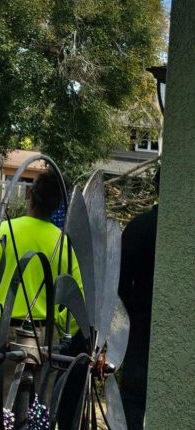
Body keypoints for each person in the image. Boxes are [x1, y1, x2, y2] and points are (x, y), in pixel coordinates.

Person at [0, 169, 83, 428]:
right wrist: (57, 325)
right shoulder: (62, 243)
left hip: (2, 338)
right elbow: (77, 303)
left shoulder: (4, 231)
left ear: (29, 194)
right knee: (38, 418)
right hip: (46, 342)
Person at [117, 166, 159, 429]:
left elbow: (119, 286)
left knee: (131, 404)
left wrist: (131, 314)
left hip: (137, 330)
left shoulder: (137, 228)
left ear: (155, 188)